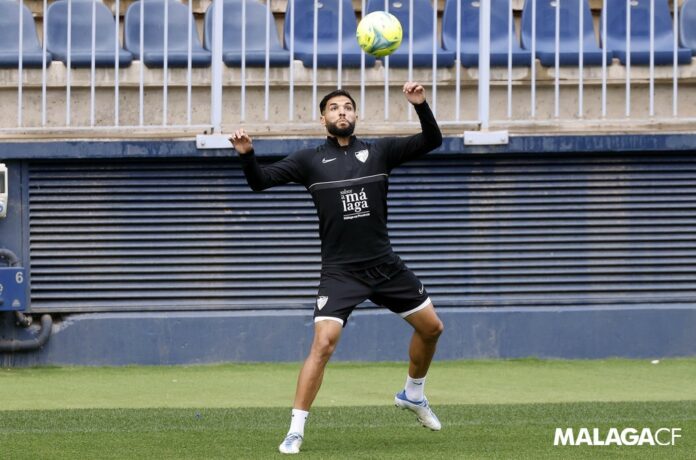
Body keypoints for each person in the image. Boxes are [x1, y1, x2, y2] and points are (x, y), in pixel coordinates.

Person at [231, 82, 445, 455]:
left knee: (432, 329)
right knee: (323, 344)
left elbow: (432, 139)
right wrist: (248, 154)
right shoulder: (308, 160)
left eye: (348, 107)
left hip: (385, 265)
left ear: (356, 115)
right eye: (334, 108)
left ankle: (413, 393)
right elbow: (259, 182)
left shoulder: (379, 153)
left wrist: (420, 104)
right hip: (341, 272)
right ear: (323, 118)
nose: (341, 112)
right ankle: (295, 429)